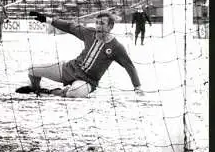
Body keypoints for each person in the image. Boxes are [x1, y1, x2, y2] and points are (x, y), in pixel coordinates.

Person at [16, 11, 145, 98]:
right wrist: (47, 20)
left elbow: (129, 66)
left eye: (102, 24)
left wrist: (137, 87)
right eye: (97, 23)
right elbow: (70, 27)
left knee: (74, 93)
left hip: (87, 81)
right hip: (69, 69)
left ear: (111, 26)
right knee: (32, 69)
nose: (98, 26)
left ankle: (52, 92)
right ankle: (35, 88)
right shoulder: (89, 33)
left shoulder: (116, 47)